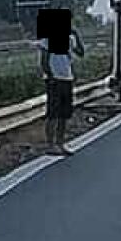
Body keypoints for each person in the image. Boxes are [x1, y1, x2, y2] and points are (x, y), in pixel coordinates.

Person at [39, 27, 85, 156]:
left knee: (64, 114)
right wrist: (50, 76)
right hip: (55, 79)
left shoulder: (70, 38)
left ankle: (60, 143)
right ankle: (50, 144)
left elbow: (80, 53)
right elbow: (44, 59)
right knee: (53, 113)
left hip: (67, 78)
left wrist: (77, 35)